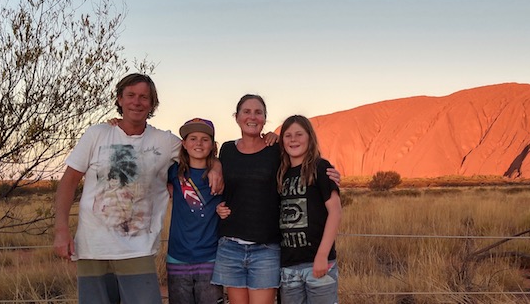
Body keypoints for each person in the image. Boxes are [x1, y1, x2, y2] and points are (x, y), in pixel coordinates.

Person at [53, 73, 223, 304]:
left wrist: (216, 167)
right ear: (120, 99)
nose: (137, 102)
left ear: (152, 104)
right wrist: (61, 230)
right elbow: (69, 181)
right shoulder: (97, 134)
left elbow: (198, 150)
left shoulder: (164, 141)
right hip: (93, 247)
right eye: (130, 95)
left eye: (144, 97)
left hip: (138, 250)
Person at [212, 95, 341, 304]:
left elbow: (332, 207)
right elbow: (224, 179)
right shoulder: (227, 150)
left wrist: (330, 174)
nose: (252, 117)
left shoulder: (277, 150)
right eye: (246, 111)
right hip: (235, 246)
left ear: (265, 118)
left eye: (258, 112)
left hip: (267, 249)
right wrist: (217, 191)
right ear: (236, 116)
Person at [276, 115, 341, 304]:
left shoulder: (320, 167)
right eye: (288, 135)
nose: (293, 139)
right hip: (288, 266)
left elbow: (335, 212)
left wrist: (322, 255)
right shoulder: (280, 173)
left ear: (310, 137)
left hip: (318, 262)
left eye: (299, 134)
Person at [166, 118, 224, 304]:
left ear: (213, 145)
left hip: (210, 258)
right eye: (192, 138)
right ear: (184, 144)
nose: (198, 143)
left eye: (205, 139)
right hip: (177, 257)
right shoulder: (173, 172)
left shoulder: (220, 175)